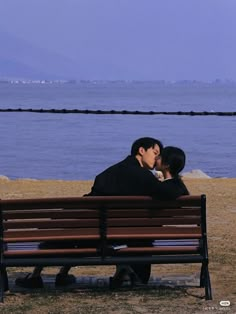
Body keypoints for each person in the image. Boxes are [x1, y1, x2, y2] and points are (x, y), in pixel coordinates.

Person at [15, 138, 188, 288]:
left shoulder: (108, 173)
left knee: (69, 228)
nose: (157, 157)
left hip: (92, 231)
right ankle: (120, 270)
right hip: (119, 236)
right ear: (141, 150)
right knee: (93, 231)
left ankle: (38, 275)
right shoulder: (144, 177)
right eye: (155, 152)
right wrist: (175, 179)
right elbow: (171, 192)